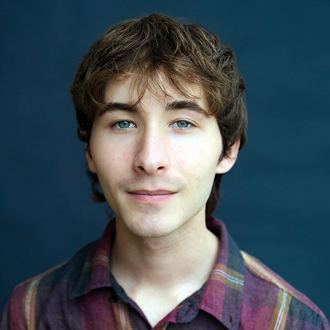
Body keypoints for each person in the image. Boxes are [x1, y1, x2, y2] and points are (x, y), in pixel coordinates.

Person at [1, 13, 328, 330]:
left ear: (228, 150)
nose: (149, 158)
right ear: (89, 151)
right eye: (123, 123)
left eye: (182, 123)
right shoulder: (32, 311)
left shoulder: (290, 321)